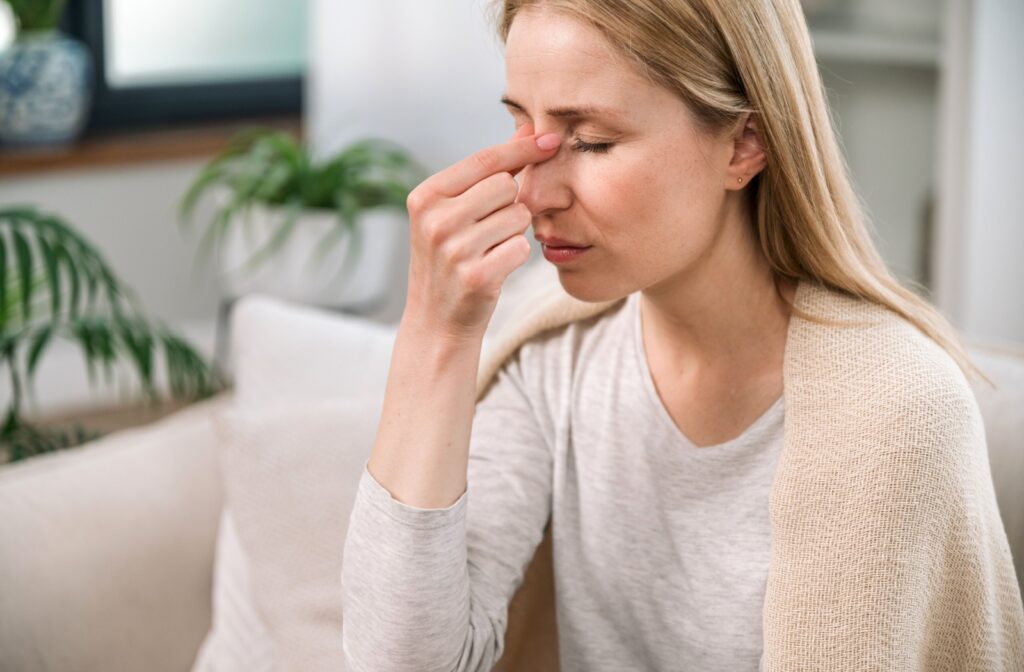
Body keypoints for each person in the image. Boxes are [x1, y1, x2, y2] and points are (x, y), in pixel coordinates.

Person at [340, 1, 1024, 670]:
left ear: (744, 144)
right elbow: (402, 660)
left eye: (591, 141)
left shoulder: (895, 409)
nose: (534, 193)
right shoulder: (550, 352)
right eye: (524, 132)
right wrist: (435, 333)